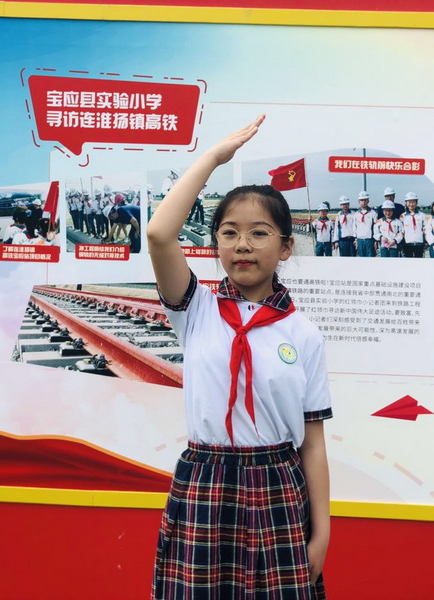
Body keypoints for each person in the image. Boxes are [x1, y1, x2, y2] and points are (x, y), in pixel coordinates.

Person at [148, 116, 331, 599]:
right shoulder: (195, 309)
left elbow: (313, 443)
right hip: (204, 483)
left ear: (286, 247)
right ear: (216, 245)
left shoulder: (303, 334)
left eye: (259, 233)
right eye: (229, 233)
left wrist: (322, 532)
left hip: (277, 487)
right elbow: (160, 234)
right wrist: (213, 158)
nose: (243, 245)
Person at [400, 192, 426, 258]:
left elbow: (425, 229)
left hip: (419, 243)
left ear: (416, 203)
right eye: (409, 202)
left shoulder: (422, 215)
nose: (411, 204)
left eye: (413, 202)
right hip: (407, 243)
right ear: (406, 203)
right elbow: (401, 230)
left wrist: (425, 241)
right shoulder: (402, 216)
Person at [353, 191, 377, 257]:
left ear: (368, 201)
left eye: (365, 200)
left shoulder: (373, 213)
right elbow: (354, 228)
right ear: (359, 201)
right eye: (362, 200)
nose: (363, 202)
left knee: (370, 259)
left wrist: (375, 240)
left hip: (369, 240)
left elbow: (375, 228)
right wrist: (356, 240)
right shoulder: (356, 214)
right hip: (360, 240)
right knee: (361, 259)